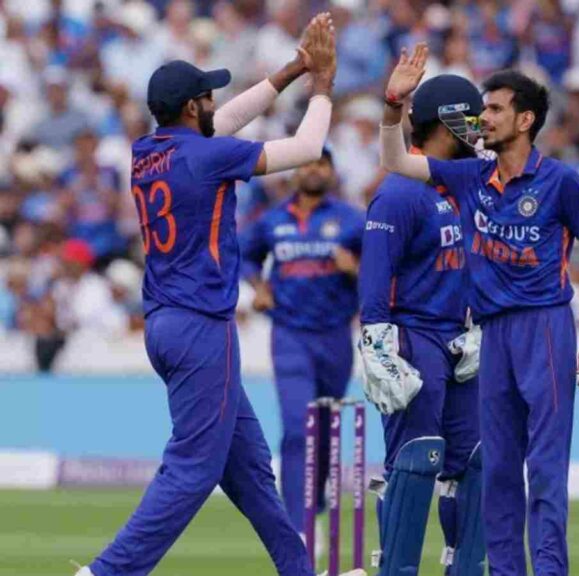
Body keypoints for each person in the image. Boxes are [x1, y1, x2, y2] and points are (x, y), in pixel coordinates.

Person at [76, 14, 366, 576]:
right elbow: (308, 147)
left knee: (250, 469)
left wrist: (293, 70)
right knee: (193, 468)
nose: (215, 103)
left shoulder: (145, 151)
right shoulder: (209, 156)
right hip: (201, 325)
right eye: (207, 97)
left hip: (165, 322)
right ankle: (105, 572)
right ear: (192, 107)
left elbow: (223, 121)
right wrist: (323, 84)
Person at [375, 44, 579, 576]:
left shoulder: (559, 181)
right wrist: (394, 105)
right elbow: (394, 161)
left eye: (496, 109)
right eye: (484, 108)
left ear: (525, 120)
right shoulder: (469, 176)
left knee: (544, 467)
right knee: (499, 467)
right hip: (490, 334)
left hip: (544, 328)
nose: (483, 117)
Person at [358, 74, 486, 576]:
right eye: (471, 121)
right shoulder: (400, 193)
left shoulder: (464, 185)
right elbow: (376, 275)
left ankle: (466, 568)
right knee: (416, 459)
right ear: (447, 123)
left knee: (475, 460)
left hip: (461, 338)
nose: (478, 132)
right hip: (414, 338)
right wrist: (377, 343)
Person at [240, 148, 364, 535]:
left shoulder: (352, 220)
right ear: (293, 173)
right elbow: (243, 255)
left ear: (331, 171)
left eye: (321, 164)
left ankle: (314, 498)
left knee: (324, 429)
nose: (313, 170)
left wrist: (356, 269)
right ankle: (298, 527)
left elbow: (383, 267)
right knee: (298, 428)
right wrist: (259, 286)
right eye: (306, 163)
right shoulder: (272, 219)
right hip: (289, 334)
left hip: (335, 335)